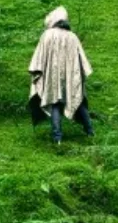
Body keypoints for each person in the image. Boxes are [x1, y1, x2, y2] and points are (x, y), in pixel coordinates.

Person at [28, 7, 94, 144]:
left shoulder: (47, 35)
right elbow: (82, 59)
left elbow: (39, 57)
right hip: (71, 76)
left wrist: (37, 72)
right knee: (79, 101)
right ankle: (90, 132)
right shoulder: (73, 36)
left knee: (55, 103)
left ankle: (57, 138)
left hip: (52, 76)